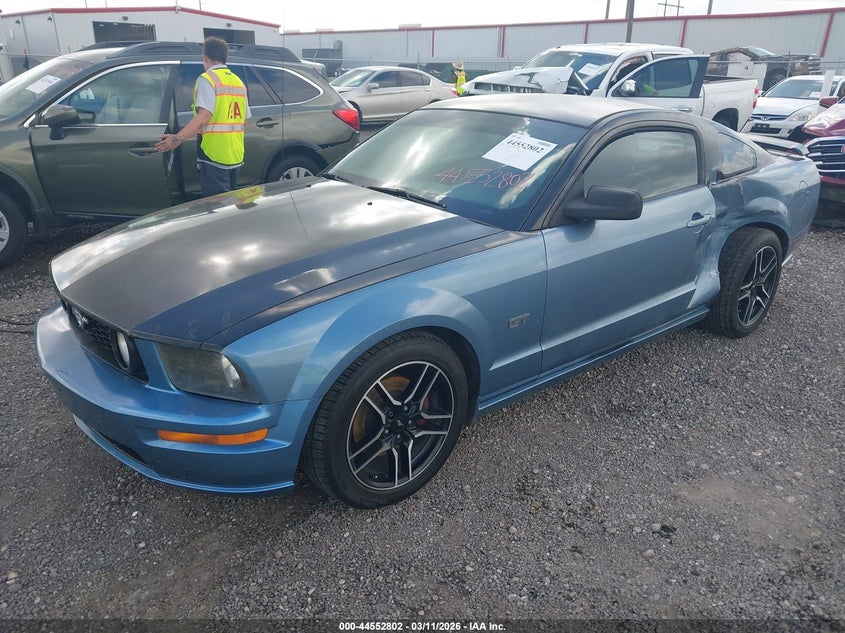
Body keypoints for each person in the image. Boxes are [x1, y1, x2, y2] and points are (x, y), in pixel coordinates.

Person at [155, 36, 249, 196]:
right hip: (235, 154)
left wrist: (176, 139)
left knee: (217, 208)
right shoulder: (238, 82)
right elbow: (244, 120)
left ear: (205, 57)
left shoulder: (208, 79)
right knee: (230, 206)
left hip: (214, 155)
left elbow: (204, 116)